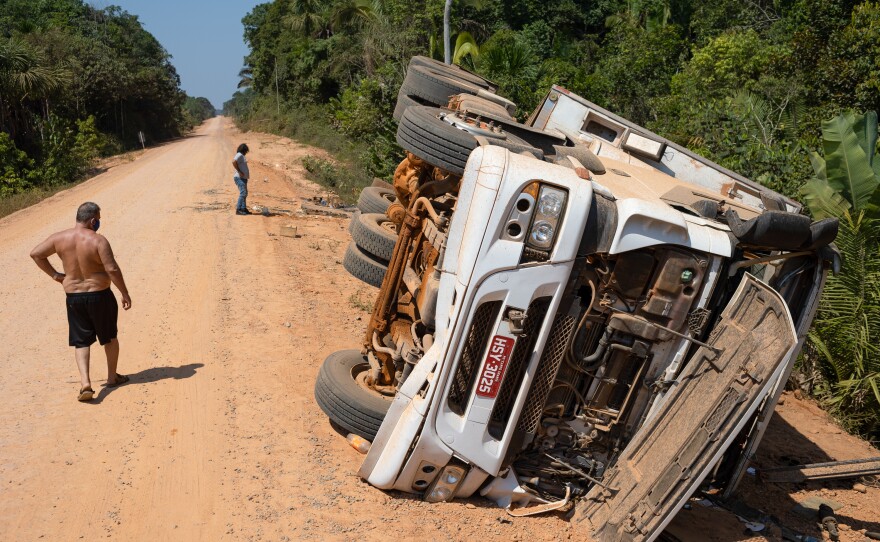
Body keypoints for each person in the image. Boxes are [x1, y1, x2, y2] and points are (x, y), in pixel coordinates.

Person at [30, 202, 132, 402]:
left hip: (74, 298)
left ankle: (85, 383)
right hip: (100, 295)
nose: (99, 223)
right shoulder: (98, 240)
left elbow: (36, 253)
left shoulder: (58, 238)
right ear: (93, 220)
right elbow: (111, 269)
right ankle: (112, 377)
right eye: (98, 219)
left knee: (81, 341)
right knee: (109, 337)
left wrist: (56, 276)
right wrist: (125, 293)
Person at [232, 143, 250, 215]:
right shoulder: (239, 154)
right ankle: (238, 209)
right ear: (244, 150)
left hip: (243, 178)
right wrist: (239, 171)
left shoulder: (241, 155)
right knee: (243, 193)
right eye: (246, 151)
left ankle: (243, 208)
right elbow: (233, 162)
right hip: (239, 177)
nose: (246, 153)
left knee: (245, 193)